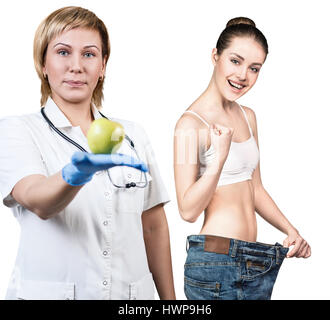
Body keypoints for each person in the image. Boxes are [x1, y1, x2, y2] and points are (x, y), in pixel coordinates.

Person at [0, 6, 175, 300]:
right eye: (63, 52)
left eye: (89, 54)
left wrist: (171, 303)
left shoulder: (132, 135)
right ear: (43, 63)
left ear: (103, 65)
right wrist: (76, 174)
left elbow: (154, 227)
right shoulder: (17, 130)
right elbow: (37, 199)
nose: (77, 66)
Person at [174, 17, 311, 300]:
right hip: (214, 263)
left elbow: (255, 188)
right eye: (235, 61)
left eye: (254, 68)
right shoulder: (189, 126)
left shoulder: (248, 117)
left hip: (254, 260)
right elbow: (187, 210)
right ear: (216, 56)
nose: (242, 76)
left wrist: (291, 230)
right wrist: (219, 158)